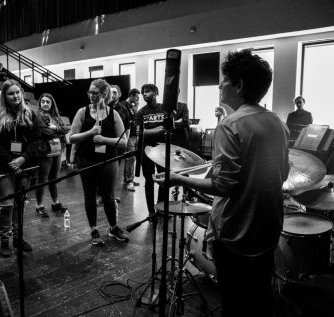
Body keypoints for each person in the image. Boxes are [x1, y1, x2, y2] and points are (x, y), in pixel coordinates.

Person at [154, 49, 290, 317]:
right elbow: (282, 174)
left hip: (237, 232)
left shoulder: (230, 125)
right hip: (268, 228)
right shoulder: (278, 123)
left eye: (225, 79)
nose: (220, 85)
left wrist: (177, 177)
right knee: (259, 299)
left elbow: (222, 186)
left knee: (234, 303)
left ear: (239, 85)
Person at [0, 79, 52, 257]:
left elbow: (37, 139)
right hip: (4, 167)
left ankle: (18, 237)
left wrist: (22, 159)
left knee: (20, 204)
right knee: (6, 205)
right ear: (4, 96)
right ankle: (5, 241)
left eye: (17, 92)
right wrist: (11, 162)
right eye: (11, 93)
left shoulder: (30, 113)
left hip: (25, 165)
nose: (15, 96)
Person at [69, 79, 129, 246]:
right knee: (89, 196)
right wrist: (90, 132)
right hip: (86, 160)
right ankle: (94, 230)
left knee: (109, 196)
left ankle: (113, 227)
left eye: (94, 93)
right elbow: (72, 138)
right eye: (89, 92)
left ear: (103, 94)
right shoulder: (82, 112)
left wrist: (104, 139)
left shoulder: (113, 114)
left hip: (108, 159)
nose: (91, 95)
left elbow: (123, 142)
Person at [34, 93, 70, 217]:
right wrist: (57, 130)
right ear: (39, 103)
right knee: (42, 180)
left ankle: (55, 203)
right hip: (45, 153)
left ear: (51, 104)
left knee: (54, 179)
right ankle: (39, 205)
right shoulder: (37, 116)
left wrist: (56, 128)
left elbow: (66, 129)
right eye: (43, 101)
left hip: (57, 151)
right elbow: (46, 132)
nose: (45, 104)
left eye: (47, 102)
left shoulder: (55, 116)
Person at [135, 83, 165, 216]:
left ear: (156, 93)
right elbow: (141, 133)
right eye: (143, 92)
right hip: (146, 150)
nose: (144, 94)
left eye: (147, 91)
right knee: (149, 181)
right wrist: (158, 130)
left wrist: (148, 131)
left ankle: (161, 208)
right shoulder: (141, 112)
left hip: (163, 150)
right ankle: (151, 211)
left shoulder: (165, 109)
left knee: (163, 180)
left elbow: (167, 129)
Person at [119, 88, 141, 191]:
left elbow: (135, 120)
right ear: (131, 95)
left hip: (133, 135)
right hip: (127, 135)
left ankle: (127, 179)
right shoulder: (123, 105)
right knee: (130, 157)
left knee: (131, 157)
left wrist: (135, 111)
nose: (137, 100)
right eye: (136, 97)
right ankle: (129, 181)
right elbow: (126, 121)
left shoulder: (132, 107)